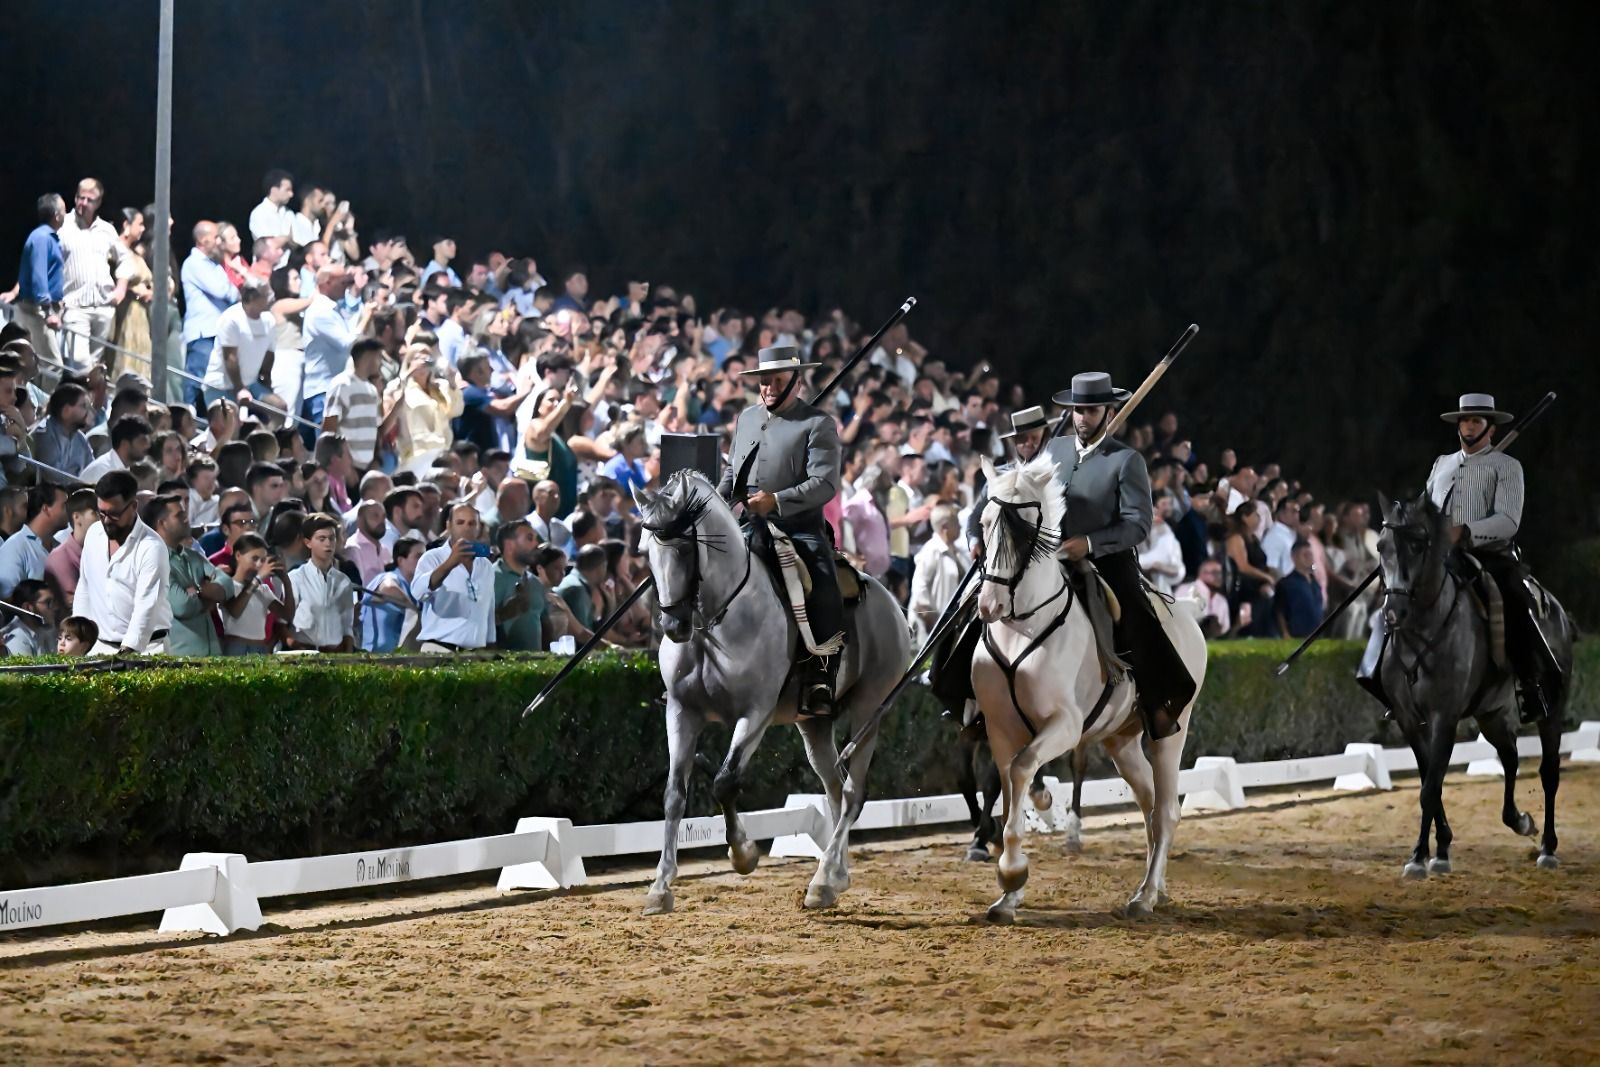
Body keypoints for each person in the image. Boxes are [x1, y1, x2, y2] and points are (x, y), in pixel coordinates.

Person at [1360, 392, 1559, 722]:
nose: (1469, 426)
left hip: (1490, 554)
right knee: (1398, 595)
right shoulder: (1443, 463)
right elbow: (1425, 508)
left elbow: (1509, 521)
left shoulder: (1508, 468)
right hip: (1440, 557)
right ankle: (1387, 679)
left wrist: (1464, 532)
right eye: (1465, 420)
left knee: (1514, 595)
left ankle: (1529, 684)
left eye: (1476, 421)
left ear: (1490, 428)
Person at [1043, 372, 1195, 739]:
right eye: (1078, 410)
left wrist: (1091, 543)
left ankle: (1158, 700)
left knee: (1132, 608)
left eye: (1091, 411)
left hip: (1107, 558)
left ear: (1109, 414)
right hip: (1049, 554)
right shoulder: (1054, 450)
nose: (1082, 417)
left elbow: (1138, 524)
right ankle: (969, 698)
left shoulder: (1127, 460)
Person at [716, 345, 843, 716]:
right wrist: (715, 504)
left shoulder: (818, 424)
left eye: (777, 381)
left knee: (823, 585)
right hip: (747, 524)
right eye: (764, 381)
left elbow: (824, 483)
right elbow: (732, 473)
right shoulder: (746, 418)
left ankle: (822, 676)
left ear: (797, 383)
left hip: (799, 528)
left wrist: (777, 500)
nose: (768, 387)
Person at [78, 470, 170, 654]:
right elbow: (85, 587)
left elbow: (147, 606)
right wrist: (79, 635)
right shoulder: (93, 534)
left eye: (114, 514)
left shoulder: (152, 547)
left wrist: (127, 652)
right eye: (101, 513)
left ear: (134, 506)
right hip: (99, 646)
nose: (106, 521)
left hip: (147, 648)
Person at [146, 493, 238, 656]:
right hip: (181, 662)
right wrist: (207, 594)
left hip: (211, 658)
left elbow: (228, 585)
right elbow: (182, 606)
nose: (187, 518)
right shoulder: (154, 562)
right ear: (162, 523)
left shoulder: (193, 556)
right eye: (179, 515)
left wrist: (196, 592)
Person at [57, 179, 128, 373]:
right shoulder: (63, 227)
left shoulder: (106, 230)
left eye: (90, 199)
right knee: (79, 362)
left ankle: (87, 402)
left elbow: (124, 259)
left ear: (98, 203)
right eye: (81, 197)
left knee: (95, 365)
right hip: (75, 306)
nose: (84, 203)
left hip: (103, 307)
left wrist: (121, 287)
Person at [412, 503, 496, 652]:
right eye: (460, 522)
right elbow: (418, 592)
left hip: (474, 656)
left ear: (478, 528)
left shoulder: (486, 566)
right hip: (439, 649)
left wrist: (489, 646)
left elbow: (488, 612)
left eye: (472, 523)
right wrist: (450, 562)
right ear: (449, 526)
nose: (466, 527)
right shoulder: (432, 558)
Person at [179, 221, 240, 408]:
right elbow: (223, 291)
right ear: (203, 240)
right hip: (202, 335)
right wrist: (231, 290)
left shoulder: (213, 265)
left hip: (215, 334)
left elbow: (235, 294)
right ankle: (187, 423)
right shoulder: (194, 263)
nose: (219, 242)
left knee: (215, 386)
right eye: (216, 238)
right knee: (197, 384)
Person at [11, 194, 67, 366]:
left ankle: (36, 393)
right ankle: (44, 394)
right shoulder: (43, 238)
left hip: (41, 310)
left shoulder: (46, 237)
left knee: (36, 364)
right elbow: (39, 276)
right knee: (53, 366)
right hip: (37, 311)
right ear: (57, 215)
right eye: (64, 210)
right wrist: (48, 312)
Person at [286, 513, 354, 652]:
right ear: (308, 542)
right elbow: (282, 622)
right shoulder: (296, 578)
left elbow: (347, 625)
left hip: (336, 653)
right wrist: (296, 647)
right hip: (305, 653)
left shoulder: (344, 581)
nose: (328, 544)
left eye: (332, 538)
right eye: (321, 539)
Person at [203, 276, 275, 405]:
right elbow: (230, 358)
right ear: (253, 298)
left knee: (278, 407)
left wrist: (265, 379)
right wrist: (240, 388)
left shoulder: (269, 320)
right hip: (222, 386)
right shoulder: (232, 319)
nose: (272, 297)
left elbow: (269, 354)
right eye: (266, 295)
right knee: (231, 422)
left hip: (251, 384)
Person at [217, 532, 292, 656]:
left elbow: (287, 615)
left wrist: (286, 582)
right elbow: (235, 611)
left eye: (263, 560)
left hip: (260, 647)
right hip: (236, 648)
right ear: (238, 555)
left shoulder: (263, 589)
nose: (259, 564)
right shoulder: (227, 584)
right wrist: (257, 579)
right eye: (254, 558)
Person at [909, 504, 970, 646]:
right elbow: (920, 588)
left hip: (953, 625)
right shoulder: (930, 551)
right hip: (933, 629)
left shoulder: (959, 552)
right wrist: (932, 619)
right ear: (944, 528)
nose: (960, 527)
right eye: (956, 523)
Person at [323, 338, 384, 470]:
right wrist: (344, 466)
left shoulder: (372, 390)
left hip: (366, 467)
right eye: (379, 357)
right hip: (346, 468)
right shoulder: (342, 384)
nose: (381, 363)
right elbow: (329, 427)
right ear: (369, 357)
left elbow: (376, 427)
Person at [0, 483, 68, 598]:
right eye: (64, 506)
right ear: (46, 509)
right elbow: (7, 601)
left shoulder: (62, 548)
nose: (69, 510)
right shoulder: (15, 547)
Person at [360, 537, 421, 653]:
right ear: (401, 560)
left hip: (395, 657)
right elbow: (388, 588)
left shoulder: (414, 588)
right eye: (418, 556)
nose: (423, 560)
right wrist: (413, 608)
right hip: (372, 655)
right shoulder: (389, 577)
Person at [493, 518, 545, 651]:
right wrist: (506, 612)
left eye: (535, 538)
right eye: (529, 538)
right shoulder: (490, 577)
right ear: (510, 545)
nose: (536, 543)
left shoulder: (536, 582)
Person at [44, 488, 96, 609]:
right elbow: (75, 604)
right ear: (77, 517)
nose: (103, 519)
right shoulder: (60, 558)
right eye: (96, 513)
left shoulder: (102, 550)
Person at [79, 415, 152, 486]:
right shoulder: (103, 472)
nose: (148, 446)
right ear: (125, 444)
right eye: (143, 441)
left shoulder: (123, 470)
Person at [1273, 539, 1324, 638]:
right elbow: (1279, 612)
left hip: (1316, 636)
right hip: (1295, 636)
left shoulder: (1315, 583)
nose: (1309, 558)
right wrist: (1284, 633)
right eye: (1305, 555)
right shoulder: (1286, 583)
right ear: (1294, 557)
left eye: (1310, 555)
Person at [1, 578, 60, 655]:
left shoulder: (47, 630)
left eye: (53, 602)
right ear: (28, 608)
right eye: (48, 602)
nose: (55, 608)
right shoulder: (18, 639)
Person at [248, 169, 295, 244]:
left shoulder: (289, 213)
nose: (291, 194)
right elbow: (268, 244)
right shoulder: (258, 213)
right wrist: (288, 238)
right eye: (287, 190)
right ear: (274, 190)